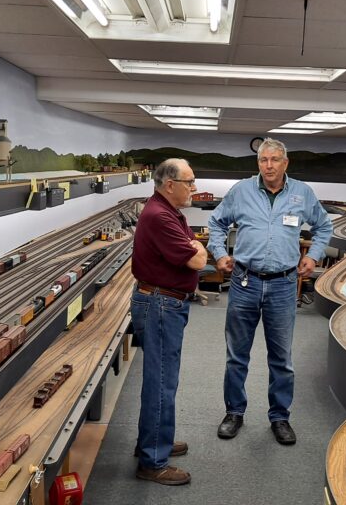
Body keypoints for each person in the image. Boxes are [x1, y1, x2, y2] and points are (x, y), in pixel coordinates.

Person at [207, 138, 333, 445]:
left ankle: (280, 417)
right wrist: (218, 252)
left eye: (275, 160)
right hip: (244, 282)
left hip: (283, 284)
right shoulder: (241, 191)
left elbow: (324, 226)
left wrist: (313, 255)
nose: (269, 166)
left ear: (285, 163)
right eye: (264, 160)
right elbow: (216, 222)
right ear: (258, 163)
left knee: (281, 359)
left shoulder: (302, 193)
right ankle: (234, 412)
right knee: (237, 355)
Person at [130, 158, 207, 485]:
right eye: (189, 182)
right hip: (161, 305)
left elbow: (195, 249)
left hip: (163, 303)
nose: (194, 188)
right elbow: (196, 259)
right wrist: (196, 250)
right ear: (169, 184)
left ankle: (154, 441)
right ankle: (153, 462)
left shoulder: (169, 212)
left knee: (161, 381)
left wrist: (195, 248)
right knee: (162, 383)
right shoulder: (161, 216)